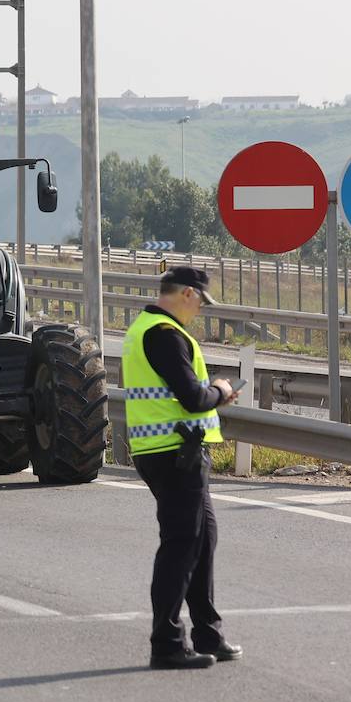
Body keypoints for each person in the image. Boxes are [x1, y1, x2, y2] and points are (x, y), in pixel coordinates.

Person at [125, 267, 242, 670]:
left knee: (202, 541)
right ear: (188, 294)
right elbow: (193, 397)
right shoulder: (164, 333)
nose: (200, 312)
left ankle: (208, 634)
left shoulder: (147, 327)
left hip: (170, 452)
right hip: (174, 453)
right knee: (181, 546)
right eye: (200, 303)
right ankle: (167, 644)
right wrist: (222, 391)